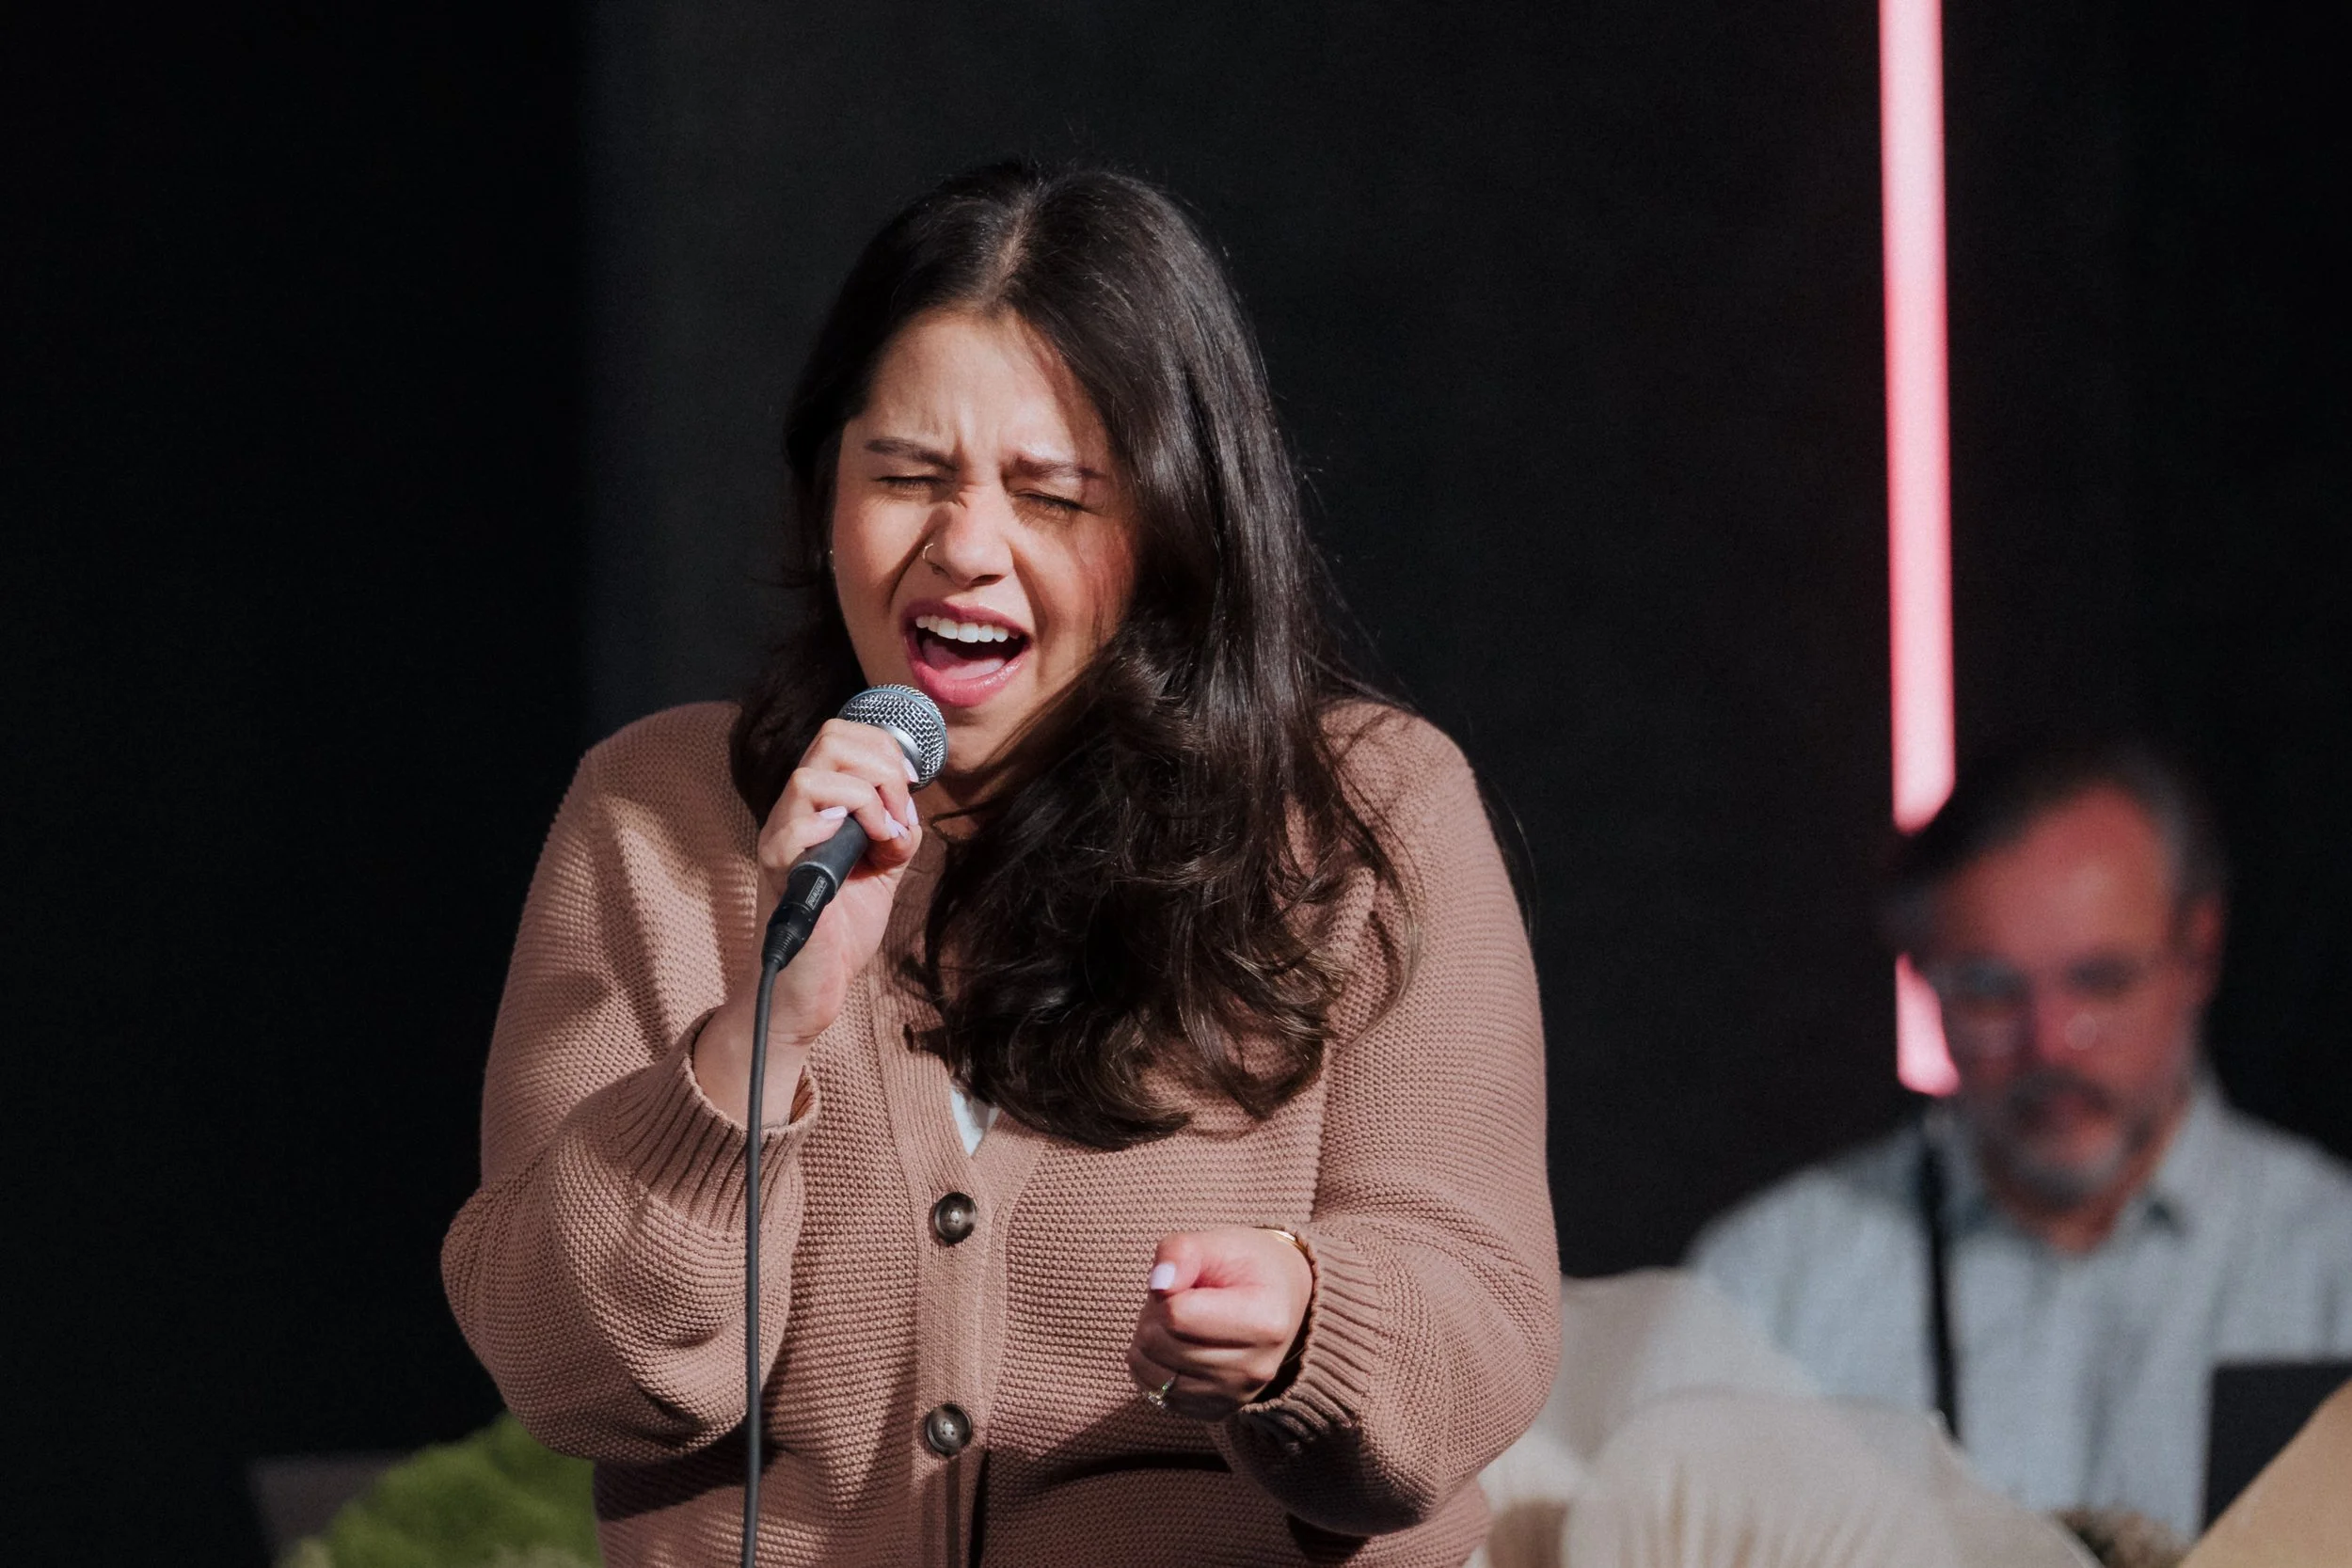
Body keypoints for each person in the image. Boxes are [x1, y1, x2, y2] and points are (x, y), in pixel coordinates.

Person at [440, 161, 1558, 1567]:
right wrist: (762, 1031)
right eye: (905, 476)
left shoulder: (1361, 819)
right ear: (822, 488)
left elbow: (1480, 1321)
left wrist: (1303, 1324)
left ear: (1172, 526)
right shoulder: (659, 812)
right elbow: (568, 1372)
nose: (965, 547)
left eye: (1053, 495)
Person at [1688, 736, 2352, 1539]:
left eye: (2100, 980)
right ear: (1920, 973)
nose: (2051, 1044)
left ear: (2199, 952)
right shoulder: (1770, 1287)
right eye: (1990, 990)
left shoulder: (2330, 1266)